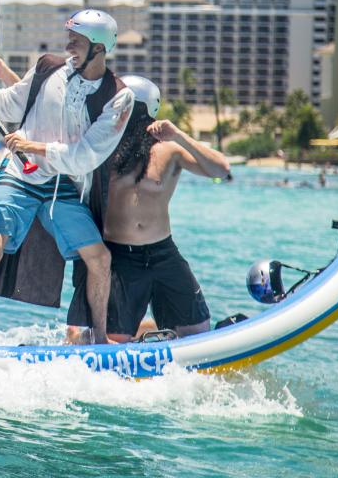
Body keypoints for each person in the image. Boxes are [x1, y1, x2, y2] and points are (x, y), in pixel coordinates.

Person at [0, 9, 134, 346]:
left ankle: (99, 337)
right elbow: (7, 106)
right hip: (18, 174)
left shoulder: (119, 96)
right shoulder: (48, 67)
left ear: (99, 47)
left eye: (76, 42)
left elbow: (86, 156)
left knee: (101, 258)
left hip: (62, 184)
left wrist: (32, 145)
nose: (69, 46)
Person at [66, 76, 230, 342]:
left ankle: (148, 332)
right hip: (120, 257)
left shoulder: (169, 150)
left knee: (197, 334)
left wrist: (179, 135)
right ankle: (89, 334)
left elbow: (221, 170)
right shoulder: (101, 148)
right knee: (112, 340)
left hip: (163, 253)